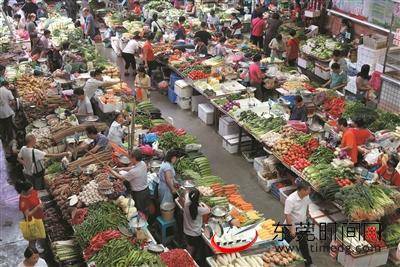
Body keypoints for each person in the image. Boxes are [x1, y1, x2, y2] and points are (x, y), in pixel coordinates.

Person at [108, 149, 150, 215]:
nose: (129, 159)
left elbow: (120, 177)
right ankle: (147, 216)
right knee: (145, 206)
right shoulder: (142, 163)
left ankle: (143, 221)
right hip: (146, 189)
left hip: (139, 193)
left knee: (140, 209)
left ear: (134, 158)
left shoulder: (134, 172)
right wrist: (121, 169)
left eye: (130, 157)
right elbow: (132, 167)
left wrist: (110, 170)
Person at [283, 181, 313, 267]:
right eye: (308, 190)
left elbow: (307, 205)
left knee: (304, 245)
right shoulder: (290, 200)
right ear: (302, 190)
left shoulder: (306, 196)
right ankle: (278, 260)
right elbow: (287, 214)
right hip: (291, 226)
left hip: (302, 226)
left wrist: (307, 213)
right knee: (284, 244)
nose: (310, 192)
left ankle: (309, 263)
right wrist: (291, 228)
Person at [16, 180, 45, 254]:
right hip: (32, 220)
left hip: (39, 216)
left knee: (39, 234)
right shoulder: (23, 202)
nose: (32, 191)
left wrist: (40, 203)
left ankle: (36, 248)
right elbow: (28, 214)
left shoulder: (32, 192)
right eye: (30, 191)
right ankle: (32, 251)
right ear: (24, 191)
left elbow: (37, 196)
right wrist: (37, 207)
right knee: (33, 238)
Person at [183, 189, 210, 266]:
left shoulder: (186, 204)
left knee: (190, 246)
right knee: (195, 248)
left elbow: (186, 193)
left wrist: (188, 192)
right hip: (195, 234)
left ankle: (188, 258)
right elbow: (208, 210)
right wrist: (202, 203)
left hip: (186, 231)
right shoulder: (200, 209)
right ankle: (191, 262)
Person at [0, 81, 15, 145]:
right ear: (7, 85)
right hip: (7, 112)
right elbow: (13, 102)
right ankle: (10, 140)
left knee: (2, 126)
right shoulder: (8, 91)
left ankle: (3, 140)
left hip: (0, 113)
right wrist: (10, 104)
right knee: (9, 126)